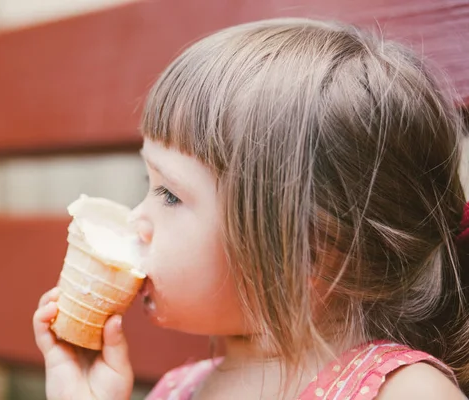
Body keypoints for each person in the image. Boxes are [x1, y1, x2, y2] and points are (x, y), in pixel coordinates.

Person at [33, 18, 469, 399]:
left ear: (309, 251)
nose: (137, 219)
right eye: (149, 185)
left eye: (169, 194)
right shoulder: (179, 389)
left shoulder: (404, 391)